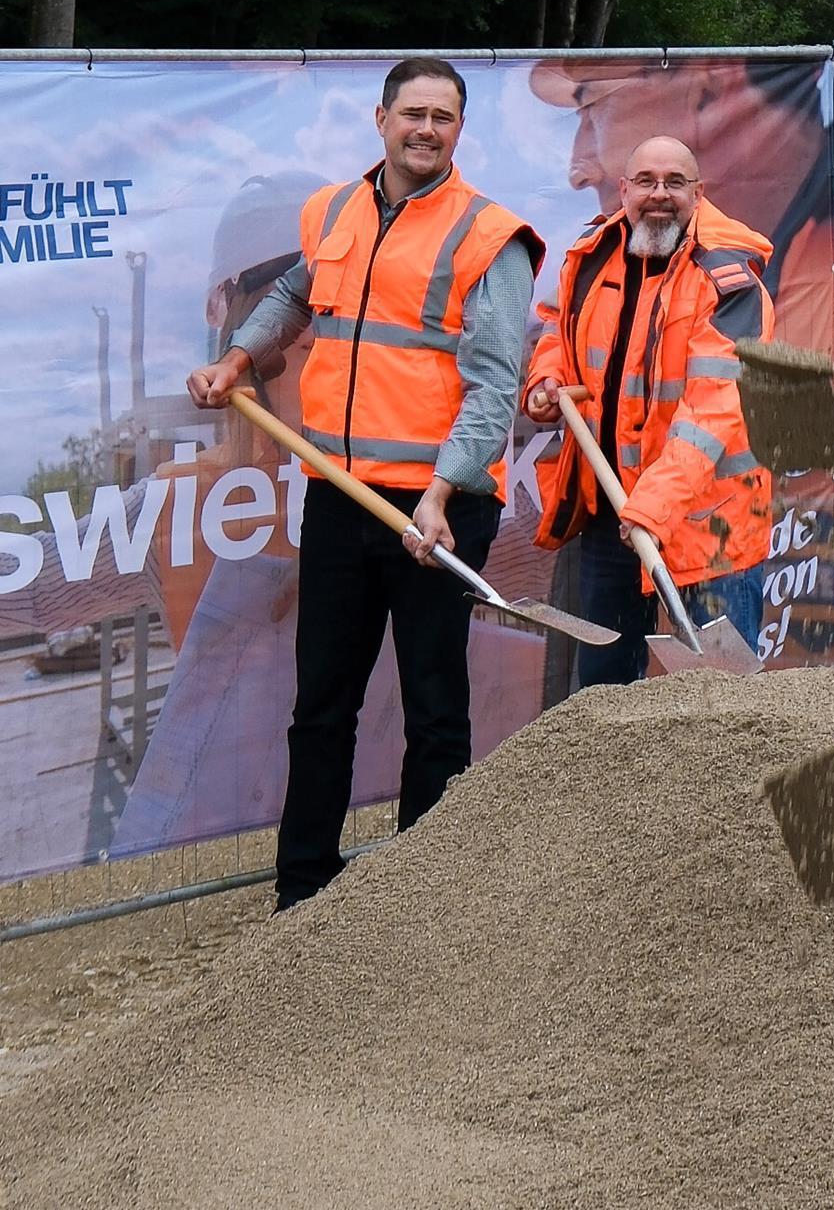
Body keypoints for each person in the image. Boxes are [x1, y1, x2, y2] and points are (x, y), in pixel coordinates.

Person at [186, 57, 539, 910]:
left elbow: (495, 384)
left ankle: (420, 904)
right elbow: (297, 298)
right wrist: (241, 354)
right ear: (380, 119)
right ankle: (303, 890)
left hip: (439, 511)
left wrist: (445, 493)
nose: (426, 129)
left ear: (460, 130)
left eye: (443, 117)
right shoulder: (335, 210)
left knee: (433, 708)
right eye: (412, 112)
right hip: (342, 497)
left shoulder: (489, 236)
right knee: (323, 704)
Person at [522, 135, 776, 684]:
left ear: (698, 192)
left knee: (724, 707)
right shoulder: (592, 254)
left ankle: (725, 774)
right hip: (613, 515)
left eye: (674, 183)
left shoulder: (728, 279)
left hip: (711, 525)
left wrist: (652, 507)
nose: (659, 195)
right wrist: (550, 379)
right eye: (646, 182)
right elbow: (556, 324)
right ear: (624, 189)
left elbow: (714, 408)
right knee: (606, 695)